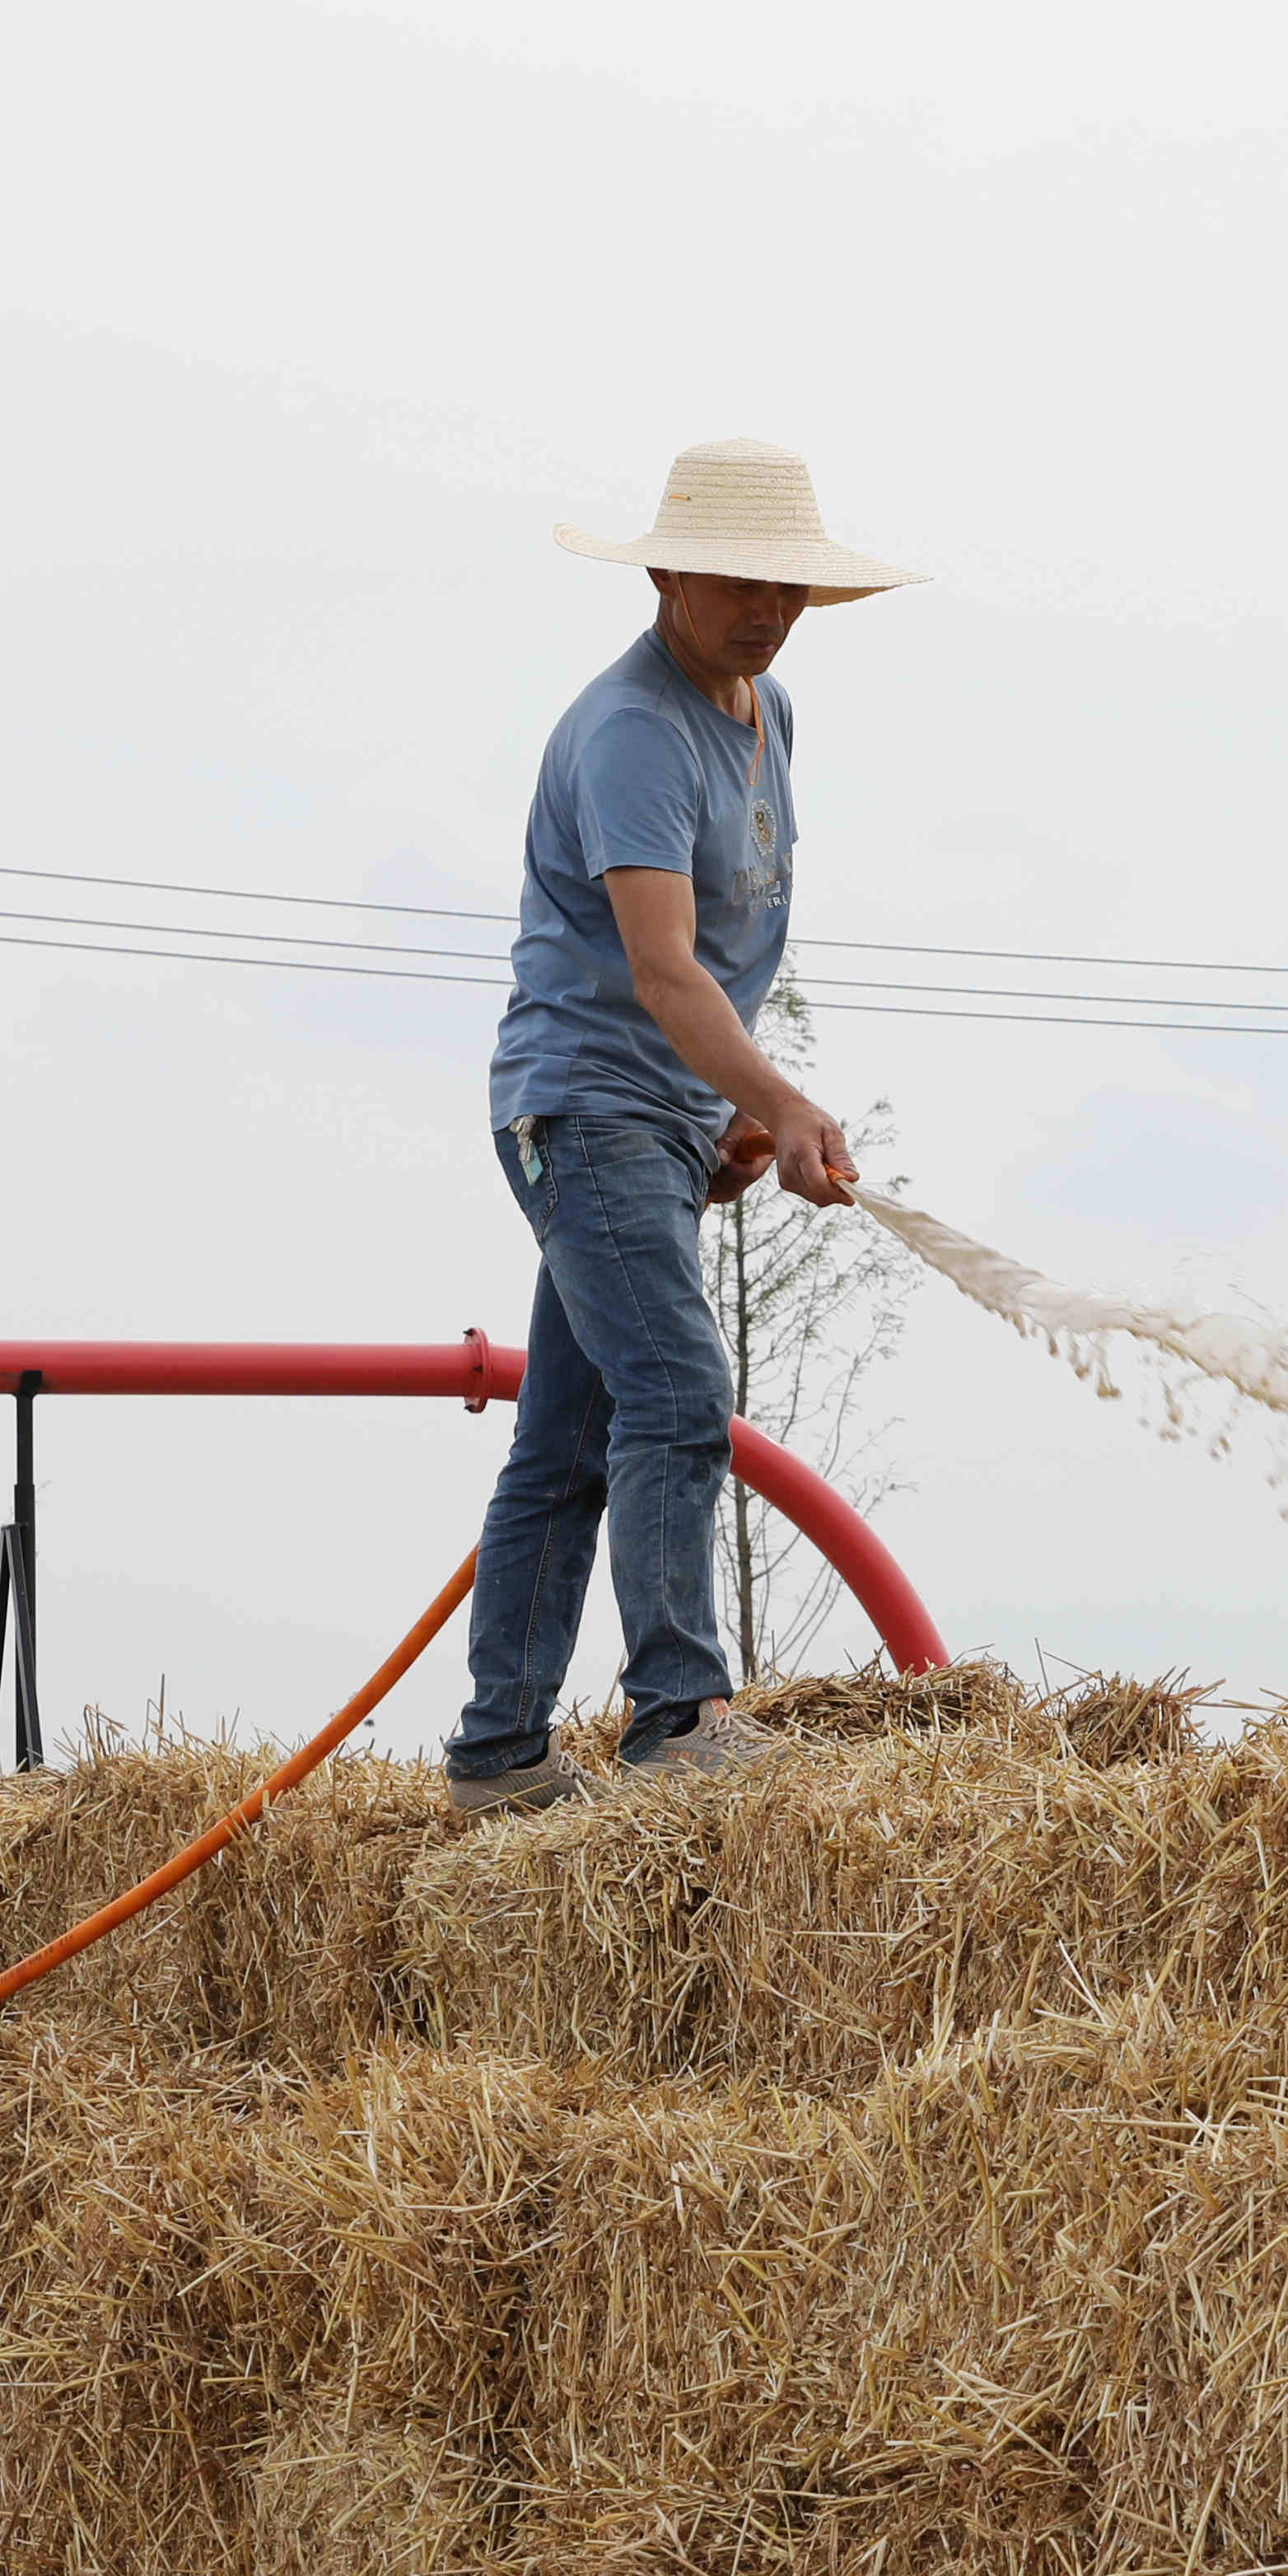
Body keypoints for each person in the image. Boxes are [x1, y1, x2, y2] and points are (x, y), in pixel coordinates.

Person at [446, 437, 916, 1813]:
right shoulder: (635, 732)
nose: (766, 609)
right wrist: (781, 1098)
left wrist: (727, 1108)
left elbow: (723, 948)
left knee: (569, 1433)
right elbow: (661, 968)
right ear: (665, 572)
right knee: (676, 1391)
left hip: (657, 1114)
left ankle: (500, 1753)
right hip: (583, 1106)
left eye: (787, 585)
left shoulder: (769, 712)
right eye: (737, 582)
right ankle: (675, 1714)